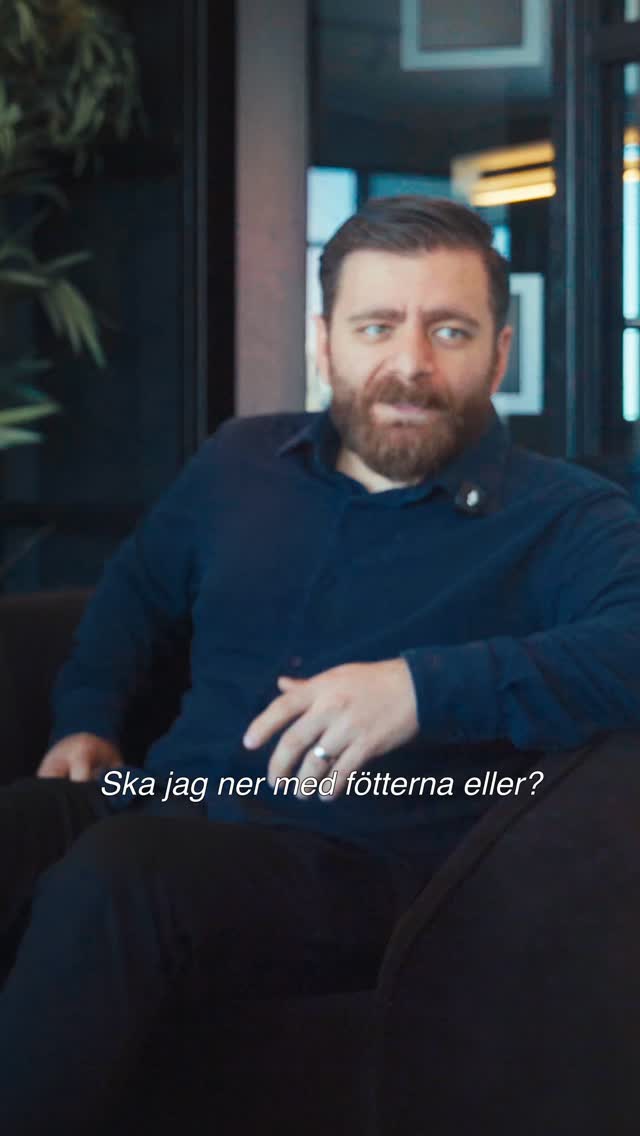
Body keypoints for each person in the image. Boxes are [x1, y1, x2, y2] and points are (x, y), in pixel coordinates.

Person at [2, 195, 640, 1133]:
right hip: (167, 796)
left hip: (356, 858)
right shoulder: (239, 462)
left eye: (450, 330)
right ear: (323, 341)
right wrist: (86, 717)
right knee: (29, 828)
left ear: (500, 352)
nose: (411, 363)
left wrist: (419, 689)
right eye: (376, 326)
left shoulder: (567, 516)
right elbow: (133, 596)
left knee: (122, 877)